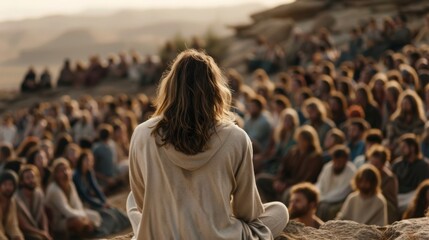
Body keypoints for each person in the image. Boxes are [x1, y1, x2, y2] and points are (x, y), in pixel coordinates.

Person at [127, 49, 289, 239]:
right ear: (215, 90)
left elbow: (140, 202)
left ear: (170, 87)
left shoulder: (142, 133)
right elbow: (247, 212)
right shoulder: (237, 138)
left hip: (164, 234)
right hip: (218, 235)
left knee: (131, 201)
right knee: (279, 210)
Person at [257, 125, 324, 202]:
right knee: (260, 180)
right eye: (299, 139)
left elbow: (307, 179)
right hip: (285, 182)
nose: (300, 142)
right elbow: (283, 168)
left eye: (303, 140)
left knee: (288, 193)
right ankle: (267, 204)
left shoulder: (315, 157)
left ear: (309, 142)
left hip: (299, 186)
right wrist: (279, 180)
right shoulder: (293, 152)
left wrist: (286, 185)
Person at [73, 151, 130, 234]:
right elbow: (84, 196)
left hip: (91, 201)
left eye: (90, 160)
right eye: (86, 160)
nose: (89, 162)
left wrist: (104, 201)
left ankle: (127, 221)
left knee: (114, 210)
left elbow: (96, 189)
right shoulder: (76, 176)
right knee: (107, 213)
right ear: (81, 161)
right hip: (83, 204)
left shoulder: (89, 172)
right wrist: (100, 204)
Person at [45, 159, 100, 239]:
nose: (65, 172)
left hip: (71, 215)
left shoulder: (70, 184)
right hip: (57, 222)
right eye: (61, 170)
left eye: (67, 169)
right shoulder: (54, 189)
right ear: (56, 174)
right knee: (78, 222)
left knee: (95, 215)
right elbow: (66, 210)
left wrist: (84, 216)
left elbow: (77, 204)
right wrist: (83, 218)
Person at [316, 145, 356, 221]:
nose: (337, 164)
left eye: (340, 162)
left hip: (341, 200)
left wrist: (325, 199)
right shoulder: (327, 167)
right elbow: (320, 184)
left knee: (327, 209)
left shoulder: (351, 171)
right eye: (335, 161)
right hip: (324, 197)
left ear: (345, 160)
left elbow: (343, 191)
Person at [391, 134, 429, 213]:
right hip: (398, 195)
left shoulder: (424, 165)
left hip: (413, 194)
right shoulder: (397, 164)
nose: (401, 149)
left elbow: (422, 187)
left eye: (404, 147)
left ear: (412, 147)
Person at [15, 165, 52, 240]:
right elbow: (24, 226)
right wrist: (42, 233)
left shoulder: (38, 193)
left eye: (33, 177)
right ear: (22, 181)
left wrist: (45, 231)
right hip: (24, 232)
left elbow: (42, 215)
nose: (31, 180)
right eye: (28, 178)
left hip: (37, 229)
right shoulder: (17, 198)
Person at [367, 145, 399, 223]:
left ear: (383, 164)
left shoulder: (389, 178)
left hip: (387, 207)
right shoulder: (367, 174)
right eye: (372, 164)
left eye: (376, 164)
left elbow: (387, 197)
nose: (374, 167)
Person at [0, 170, 24, 240]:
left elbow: (12, 224)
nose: (8, 188)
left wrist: (18, 236)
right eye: (5, 184)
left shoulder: (12, 201)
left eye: (10, 185)